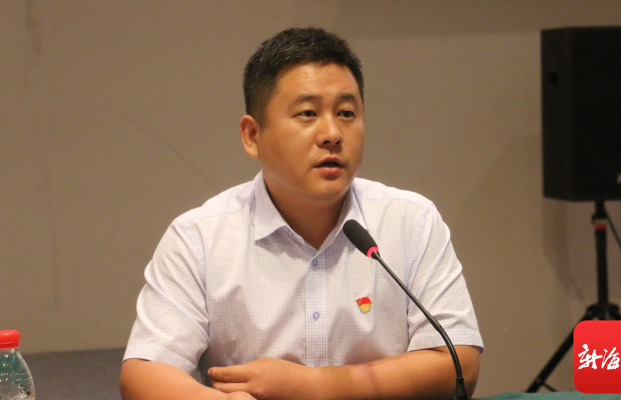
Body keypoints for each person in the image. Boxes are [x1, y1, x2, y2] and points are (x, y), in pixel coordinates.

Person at [120, 28, 483, 400]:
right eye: (307, 113)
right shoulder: (199, 238)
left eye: (346, 113)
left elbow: (459, 364)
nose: (332, 133)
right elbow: (145, 373)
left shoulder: (410, 222)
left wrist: (313, 385)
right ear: (252, 135)